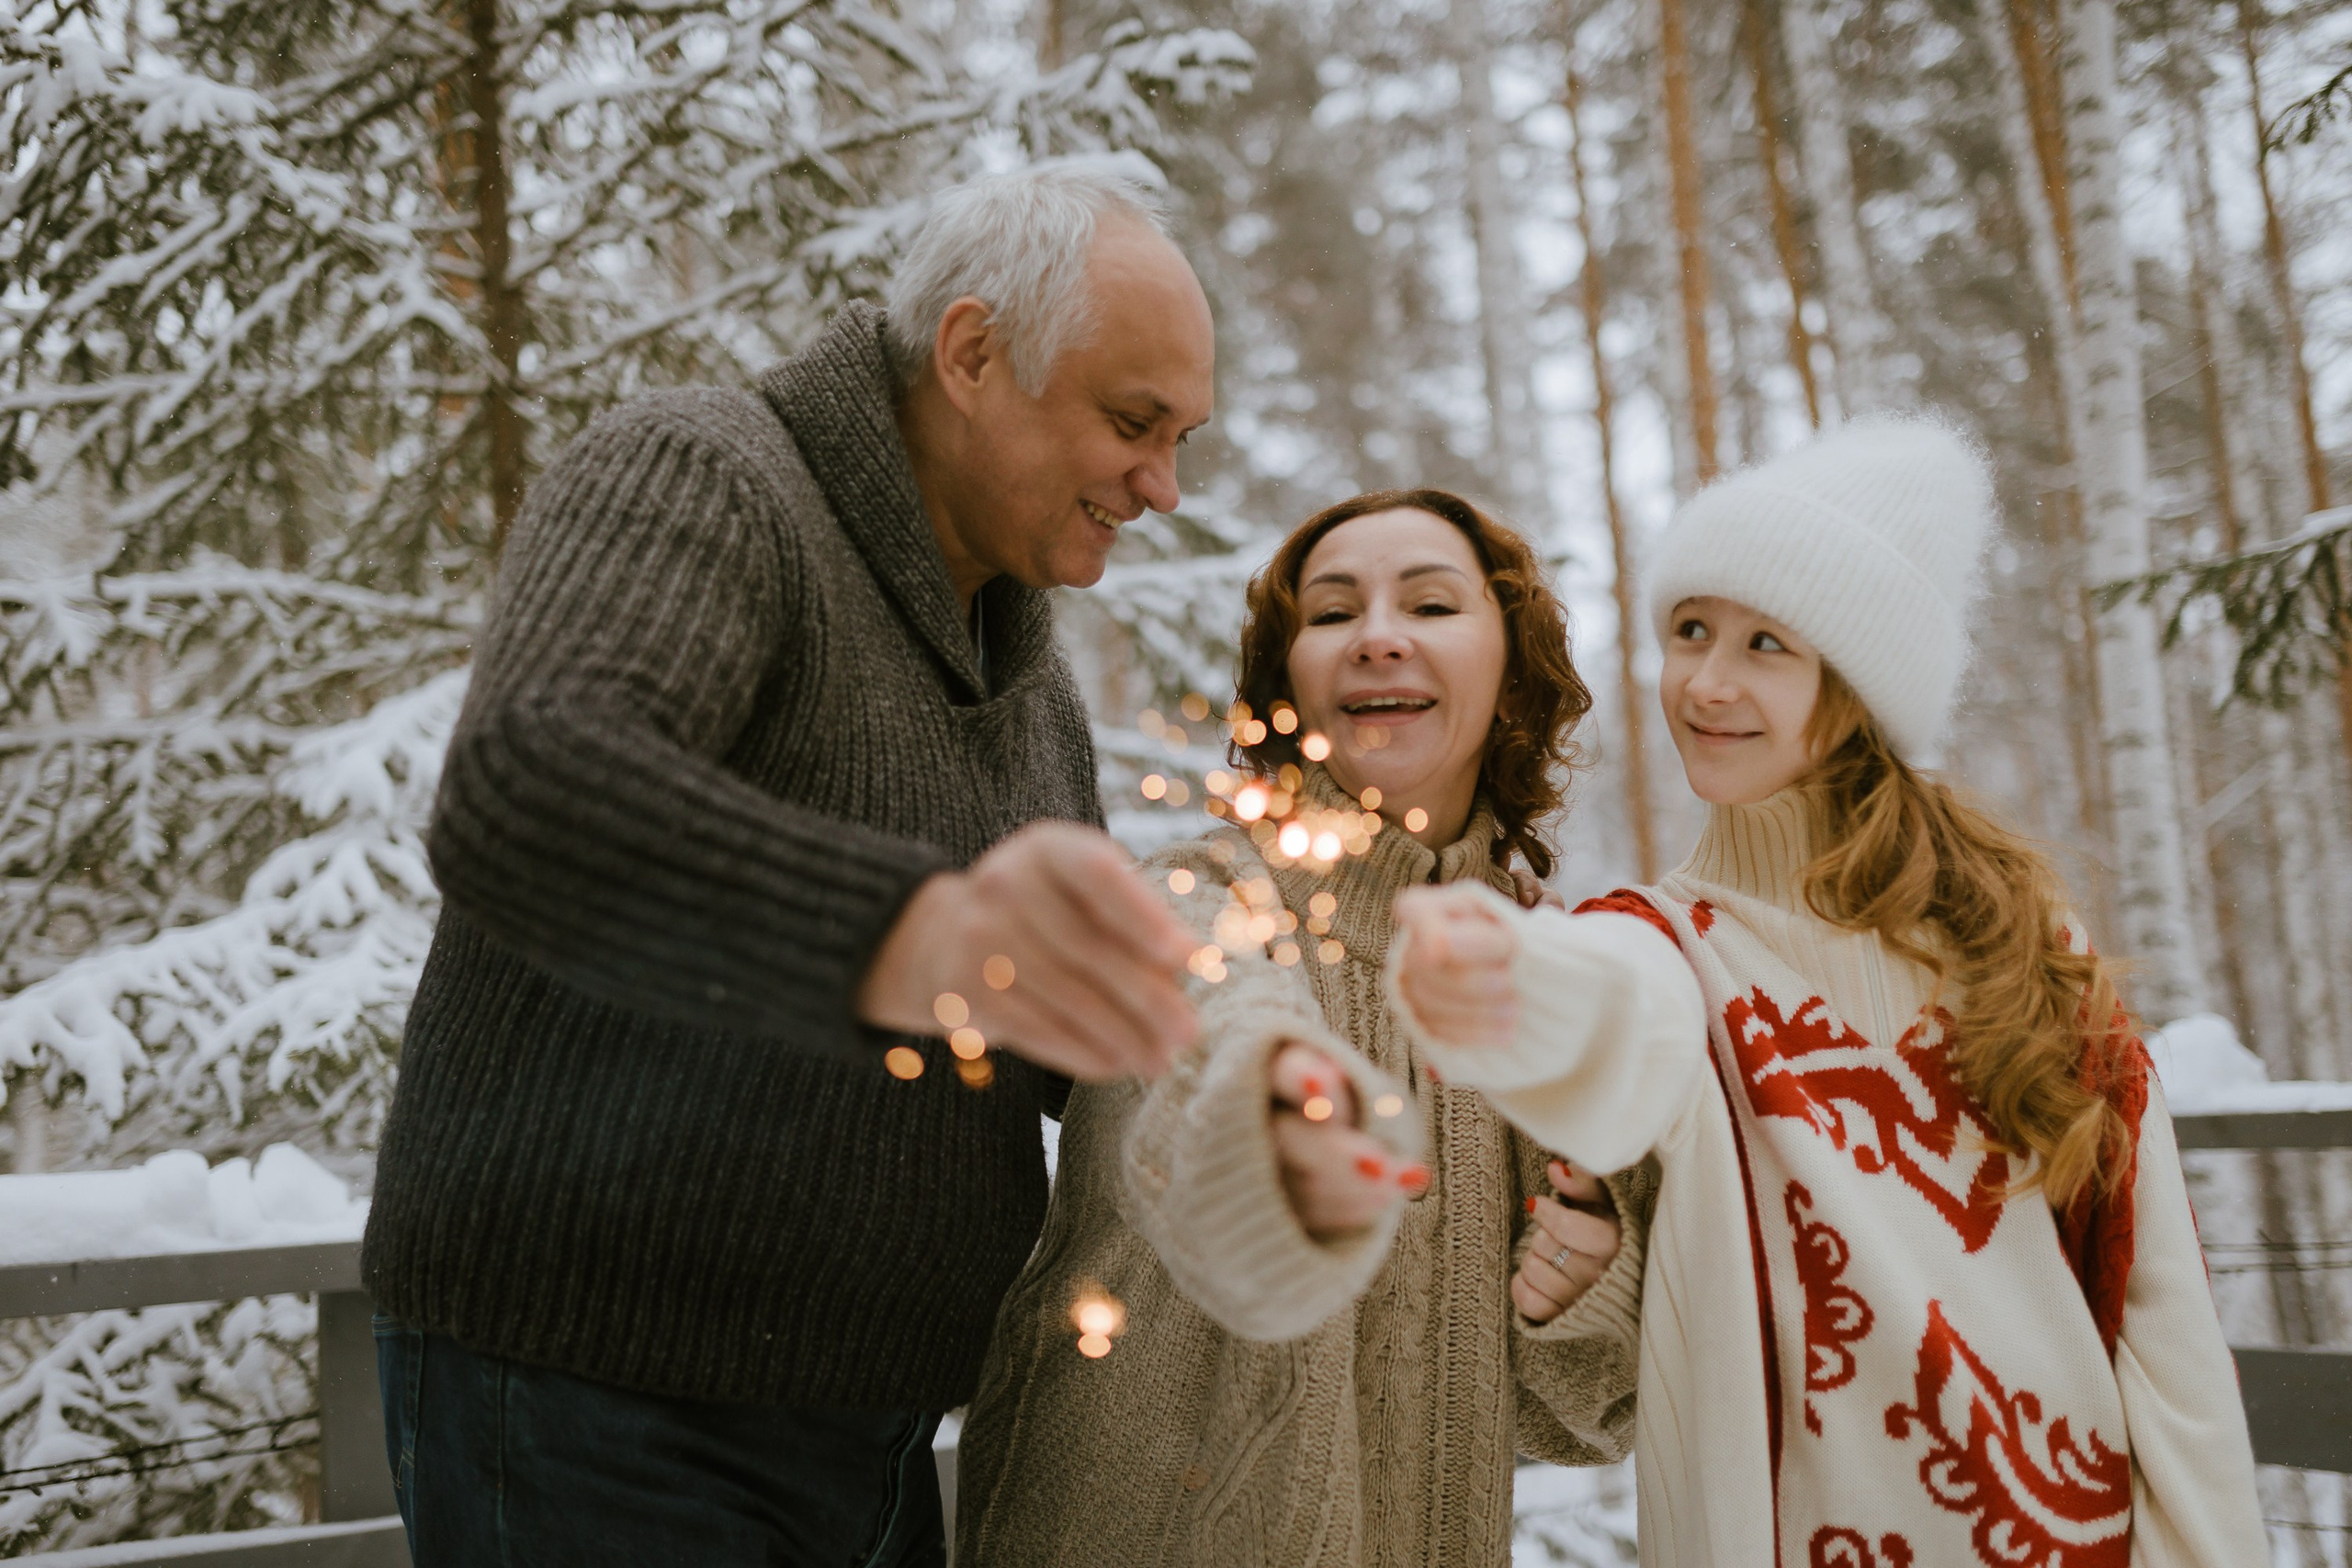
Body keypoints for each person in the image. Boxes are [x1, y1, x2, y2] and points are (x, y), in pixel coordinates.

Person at [361, 165, 1216, 1567]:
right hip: (602, 1403)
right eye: (1132, 423)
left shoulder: (1026, 681)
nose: (1163, 486)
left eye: (1181, 440)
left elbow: (1049, 1011)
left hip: (872, 1436)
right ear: (971, 353)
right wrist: (921, 935)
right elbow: (535, 790)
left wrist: (1245, 1079)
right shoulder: (705, 474)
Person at [1393, 419, 2267, 1567]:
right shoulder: (1660, 946)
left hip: (2076, 1533)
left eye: (1765, 643)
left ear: (1855, 688)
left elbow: (2153, 1297)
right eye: (1690, 630)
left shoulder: (2017, 937)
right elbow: (1615, 1029)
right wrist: (1513, 986)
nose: (1705, 682)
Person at [955, 489, 1706, 1567]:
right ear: (1287, 685)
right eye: (1334, 612)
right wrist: (1283, 1090)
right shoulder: (1187, 896)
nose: (1378, 637)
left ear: (1511, 678)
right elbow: (1211, 1009)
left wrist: (1585, 1280)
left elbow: (1576, 1419)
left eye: (1431, 606)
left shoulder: (1539, 976)